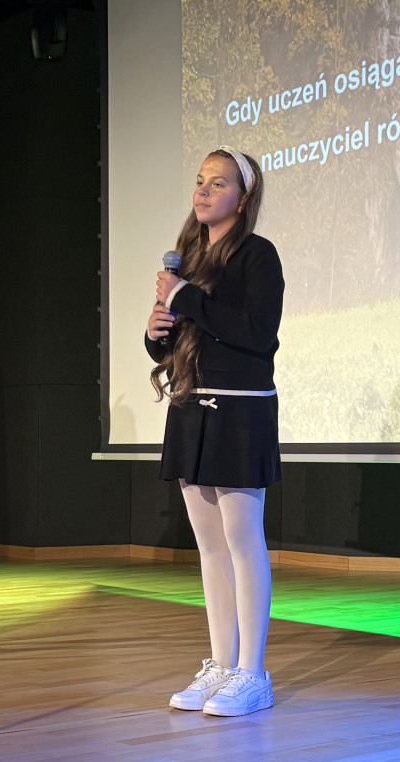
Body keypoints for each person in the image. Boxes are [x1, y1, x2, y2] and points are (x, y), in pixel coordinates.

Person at [145, 146, 284, 716]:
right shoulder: (190, 262)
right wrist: (156, 333)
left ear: (243, 199)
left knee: (242, 540)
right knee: (208, 547)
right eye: (200, 181)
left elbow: (256, 334)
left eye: (218, 183)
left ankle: (253, 672)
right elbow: (179, 343)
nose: (203, 191)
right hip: (191, 407)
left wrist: (187, 300)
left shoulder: (258, 255)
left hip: (240, 410)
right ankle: (221, 664)